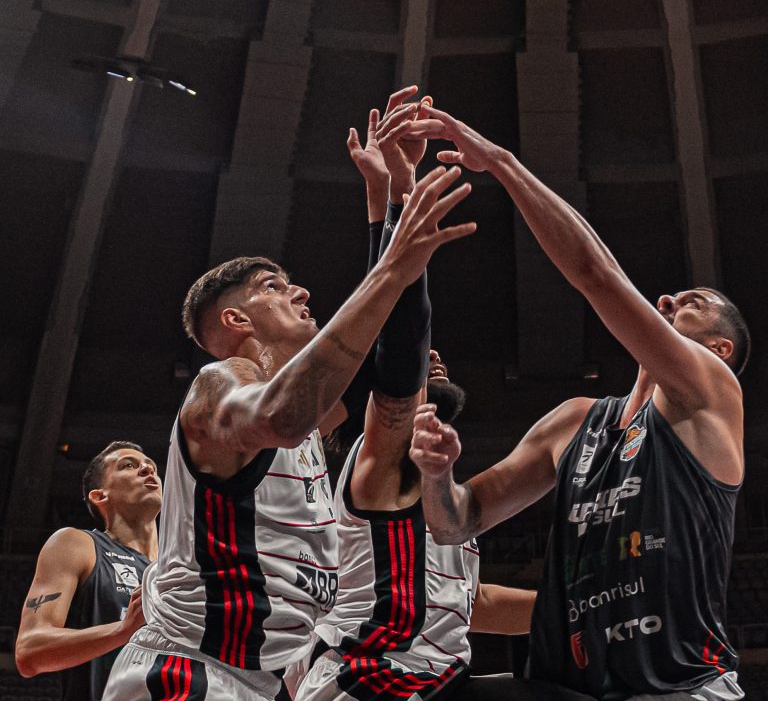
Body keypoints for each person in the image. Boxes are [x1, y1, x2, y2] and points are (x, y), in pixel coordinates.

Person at [101, 98, 476, 701]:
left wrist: (390, 199)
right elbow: (280, 415)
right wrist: (391, 266)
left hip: (270, 681)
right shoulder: (217, 387)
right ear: (235, 319)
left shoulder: (316, 428)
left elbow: (397, 372)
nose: (300, 291)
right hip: (186, 669)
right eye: (273, 286)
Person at [407, 106, 750, 701]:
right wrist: (437, 474)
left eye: (694, 302)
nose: (669, 299)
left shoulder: (713, 392)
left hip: (678, 686)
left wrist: (502, 163)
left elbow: (595, 274)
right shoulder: (573, 422)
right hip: (570, 685)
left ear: (719, 349)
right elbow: (455, 521)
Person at [295, 349, 537, 701]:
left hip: (433, 678)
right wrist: (403, 335)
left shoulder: (441, 494)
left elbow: (473, 602)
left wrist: (577, 610)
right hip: (366, 669)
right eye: (422, 353)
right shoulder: (382, 460)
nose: (435, 354)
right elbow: (398, 381)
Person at [16, 441, 161, 701]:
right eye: (129, 465)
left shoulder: (183, 567)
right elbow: (30, 651)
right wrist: (122, 631)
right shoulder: (76, 544)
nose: (147, 470)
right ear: (100, 495)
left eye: (151, 466)